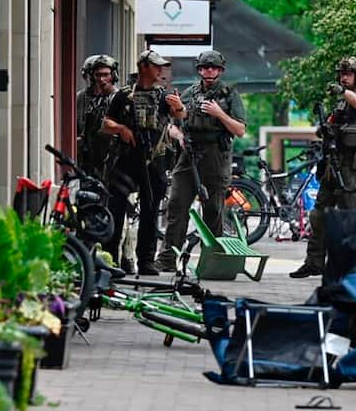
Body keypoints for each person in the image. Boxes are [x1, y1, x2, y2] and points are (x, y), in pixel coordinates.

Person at [156, 49, 247, 272]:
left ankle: (214, 260)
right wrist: (179, 135)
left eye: (214, 67)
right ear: (199, 70)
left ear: (220, 70)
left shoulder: (229, 94)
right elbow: (173, 125)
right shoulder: (189, 93)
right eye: (205, 67)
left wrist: (219, 114)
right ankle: (168, 258)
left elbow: (240, 130)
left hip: (216, 155)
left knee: (213, 208)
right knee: (176, 204)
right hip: (189, 154)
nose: (209, 71)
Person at [101, 49, 186, 275]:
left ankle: (146, 261)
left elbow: (180, 115)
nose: (160, 70)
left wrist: (178, 106)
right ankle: (111, 260)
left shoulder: (162, 96)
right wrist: (122, 129)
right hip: (126, 161)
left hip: (154, 162)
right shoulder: (123, 95)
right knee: (116, 210)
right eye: (156, 66)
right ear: (144, 67)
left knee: (151, 211)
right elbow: (106, 123)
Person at [290, 56, 356, 279]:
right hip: (332, 166)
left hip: (351, 171)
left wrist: (342, 91)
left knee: (351, 220)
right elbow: (328, 126)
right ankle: (314, 263)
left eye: (348, 74)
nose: (344, 77)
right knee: (318, 216)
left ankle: (353, 269)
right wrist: (325, 129)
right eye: (342, 74)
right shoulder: (340, 105)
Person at [75, 54, 121, 181]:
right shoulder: (81, 99)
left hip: (112, 158)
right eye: (97, 75)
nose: (101, 80)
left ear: (113, 76)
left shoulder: (119, 98)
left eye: (105, 75)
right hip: (88, 159)